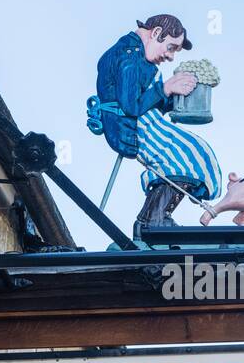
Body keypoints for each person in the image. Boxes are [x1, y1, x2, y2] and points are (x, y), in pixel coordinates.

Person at [94, 14, 222, 232]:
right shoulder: (129, 57)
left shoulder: (140, 58)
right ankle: (152, 219)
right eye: (171, 47)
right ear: (155, 33)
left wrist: (174, 99)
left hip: (142, 121)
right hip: (130, 128)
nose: (171, 56)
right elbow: (131, 107)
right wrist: (165, 88)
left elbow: (147, 103)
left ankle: (156, 216)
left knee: (194, 150)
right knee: (188, 152)